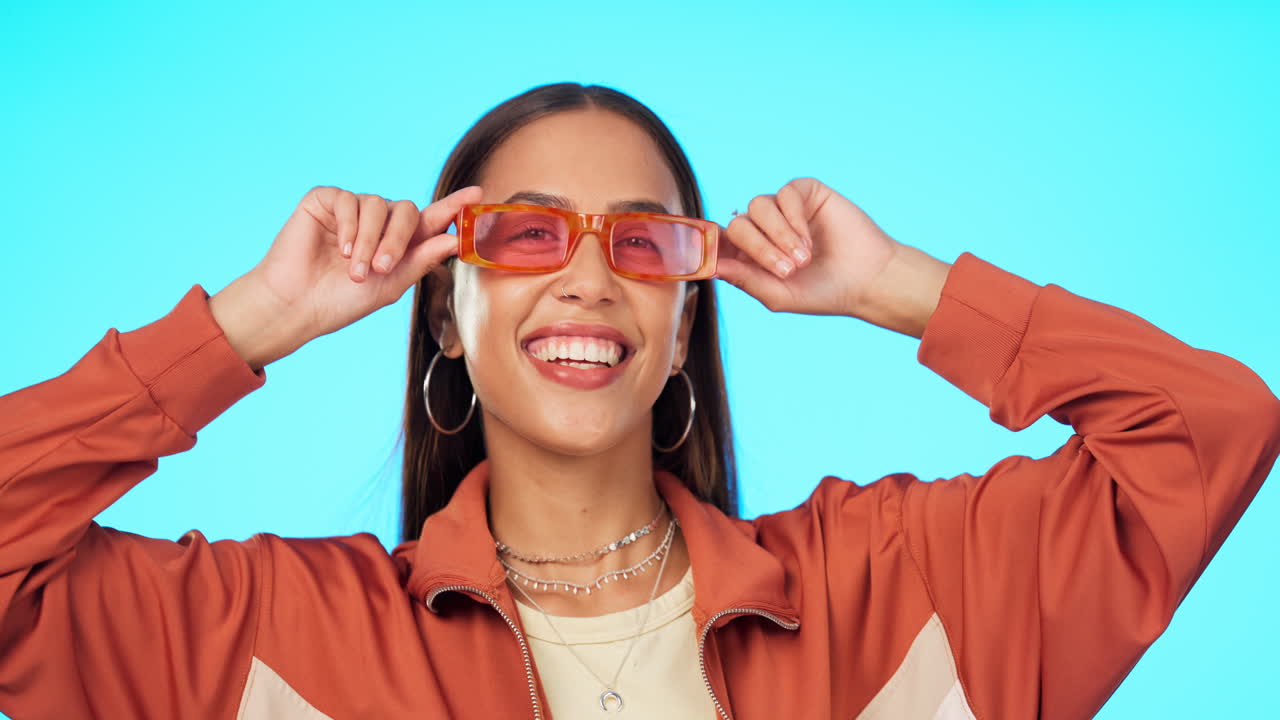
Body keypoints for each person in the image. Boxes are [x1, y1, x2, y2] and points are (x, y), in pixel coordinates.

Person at [0, 81, 1276, 720]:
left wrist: (897, 286)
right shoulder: (264, 636)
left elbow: (1207, 428)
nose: (592, 282)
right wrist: (249, 325)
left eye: (647, 245)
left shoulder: (908, 588)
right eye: (528, 238)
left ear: (682, 327)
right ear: (445, 314)